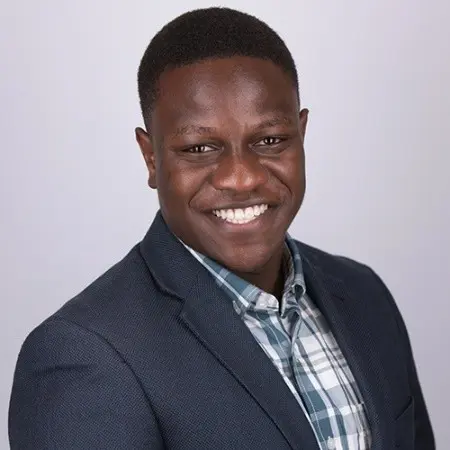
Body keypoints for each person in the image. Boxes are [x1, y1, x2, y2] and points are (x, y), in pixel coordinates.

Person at [9, 7, 434, 450]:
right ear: (151, 157)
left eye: (270, 140)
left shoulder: (365, 295)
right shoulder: (83, 358)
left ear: (302, 134)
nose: (242, 178)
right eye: (199, 148)